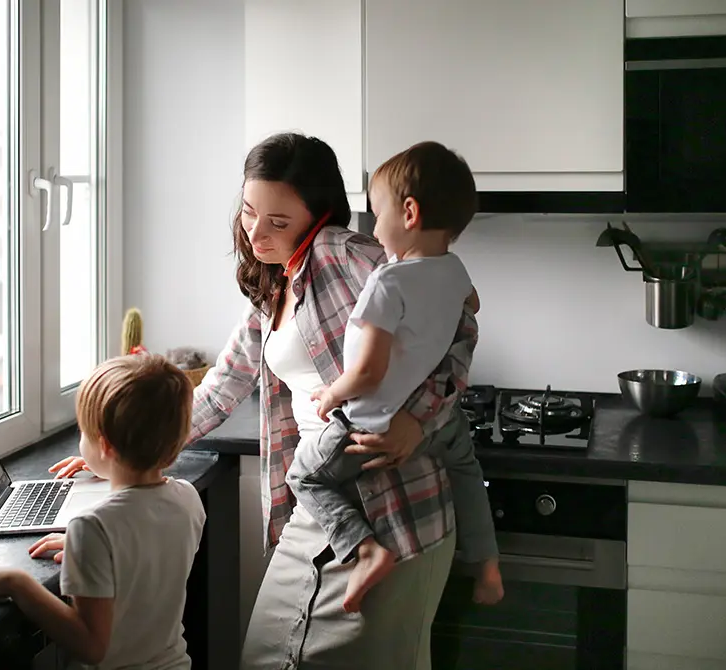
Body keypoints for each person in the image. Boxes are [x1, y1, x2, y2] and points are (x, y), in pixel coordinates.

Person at [52, 133, 489, 669]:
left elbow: (459, 320)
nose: (257, 233)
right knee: (267, 655)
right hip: (325, 502)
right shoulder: (274, 291)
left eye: (278, 223)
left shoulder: (342, 252)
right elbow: (218, 389)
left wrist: (419, 424)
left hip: (392, 507)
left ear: (318, 218)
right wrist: (118, 448)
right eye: (249, 212)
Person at [289, 140, 502, 614]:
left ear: (408, 213)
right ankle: (487, 564)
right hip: (438, 424)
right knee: (468, 472)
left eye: (376, 212)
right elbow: (474, 308)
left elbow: (367, 372)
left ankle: (367, 551)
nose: (372, 226)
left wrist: (331, 393)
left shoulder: (386, 282)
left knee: (303, 476)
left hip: (373, 425)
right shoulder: (455, 270)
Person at [0, 355, 205, 670]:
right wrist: (88, 550)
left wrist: (19, 583)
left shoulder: (92, 528)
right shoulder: (188, 499)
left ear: (105, 446)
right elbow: (142, 551)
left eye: (83, 432)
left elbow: (91, 646)